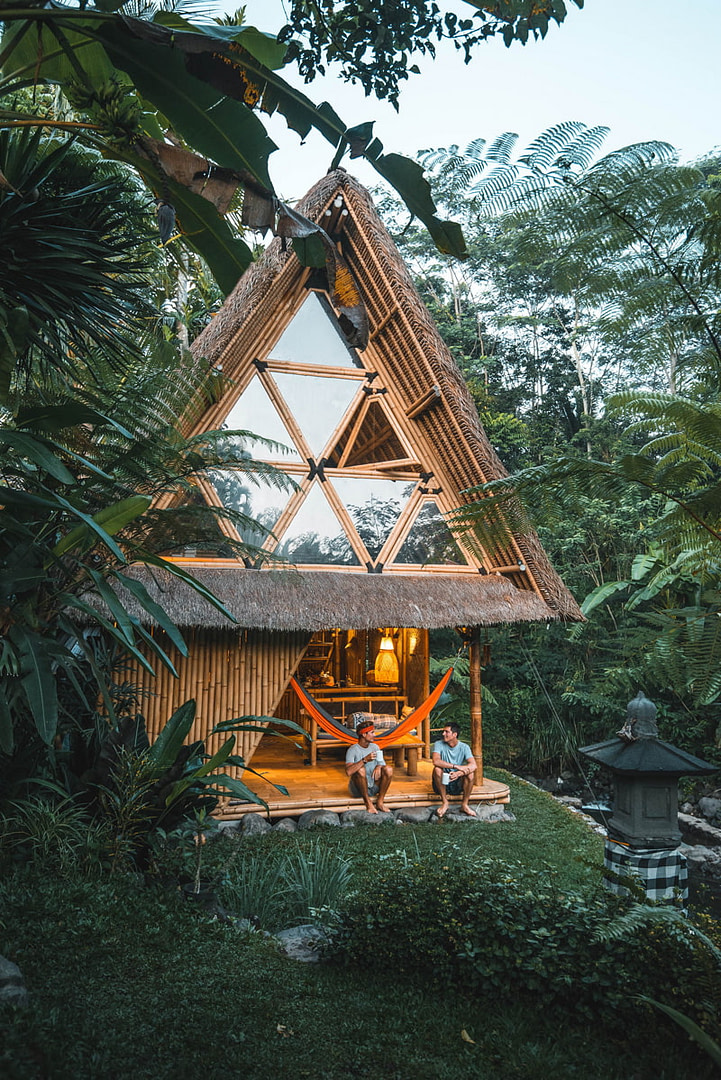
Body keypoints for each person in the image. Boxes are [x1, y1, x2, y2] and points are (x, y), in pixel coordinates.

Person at [345, 719, 393, 813]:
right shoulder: (352, 750)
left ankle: (380, 802)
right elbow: (348, 772)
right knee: (360, 770)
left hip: (374, 786)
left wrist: (379, 767)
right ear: (364, 734)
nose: (374, 735)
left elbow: (382, 763)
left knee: (388, 769)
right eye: (372, 732)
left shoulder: (375, 747)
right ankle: (368, 803)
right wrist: (365, 760)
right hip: (358, 790)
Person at [432, 722, 477, 818]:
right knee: (437, 769)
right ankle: (445, 803)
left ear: (455, 734)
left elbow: (473, 765)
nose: (443, 734)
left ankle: (464, 805)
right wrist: (455, 766)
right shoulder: (438, 744)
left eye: (446, 732)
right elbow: (436, 761)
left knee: (470, 774)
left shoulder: (464, 747)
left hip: (457, 782)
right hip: (442, 781)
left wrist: (459, 773)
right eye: (443, 731)